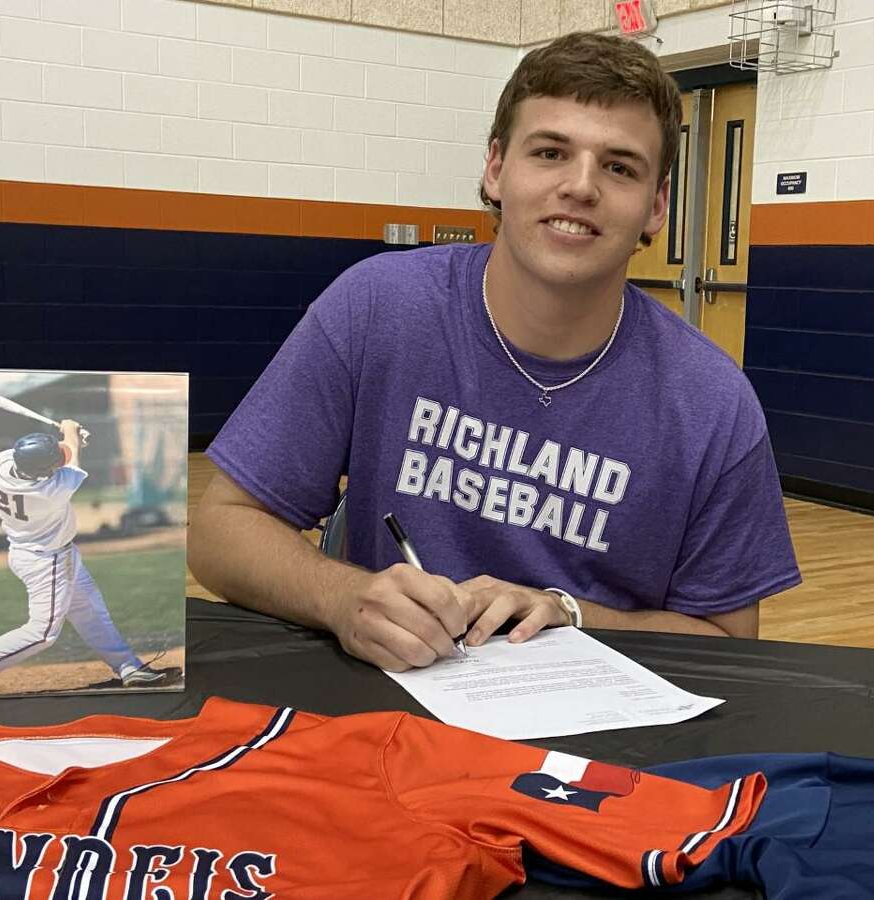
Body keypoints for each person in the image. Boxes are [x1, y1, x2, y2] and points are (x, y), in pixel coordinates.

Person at [188, 32, 801, 672]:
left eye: (620, 166)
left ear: (656, 207)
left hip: (598, 737)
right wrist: (344, 598)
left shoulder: (712, 400)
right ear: (496, 169)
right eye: (551, 152)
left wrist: (573, 614)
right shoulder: (378, 307)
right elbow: (219, 532)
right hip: (389, 709)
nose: (581, 186)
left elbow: (732, 647)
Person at [0, 421, 180, 695]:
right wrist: (71, 432)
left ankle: (129, 667)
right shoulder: (50, 491)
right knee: (42, 633)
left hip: (32, 552)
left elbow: (56, 456)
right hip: (47, 563)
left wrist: (64, 439)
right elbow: (71, 457)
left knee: (90, 610)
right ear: (42, 471)